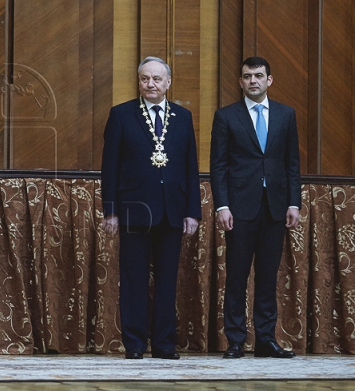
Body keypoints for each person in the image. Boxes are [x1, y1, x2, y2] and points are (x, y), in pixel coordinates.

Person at [101, 56, 201, 360]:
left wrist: (193, 211)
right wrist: (111, 211)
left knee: (168, 281)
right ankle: (134, 344)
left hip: (173, 210)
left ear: (168, 83)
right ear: (139, 81)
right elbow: (110, 167)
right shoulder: (121, 115)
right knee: (133, 279)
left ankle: (164, 344)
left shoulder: (183, 117)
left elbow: (190, 167)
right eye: (145, 78)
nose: (151, 84)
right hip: (134, 209)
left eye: (157, 79)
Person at [210, 56, 301, 359]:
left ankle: (265, 339)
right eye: (247, 76)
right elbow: (218, 165)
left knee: (267, 277)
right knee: (236, 277)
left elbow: (291, 163)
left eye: (259, 76)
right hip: (239, 208)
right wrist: (222, 205)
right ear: (240, 82)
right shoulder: (226, 116)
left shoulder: (286, 115)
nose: (253, 81)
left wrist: (293, 202)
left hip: (275, 208)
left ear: (269, 80)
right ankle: (235, 340)